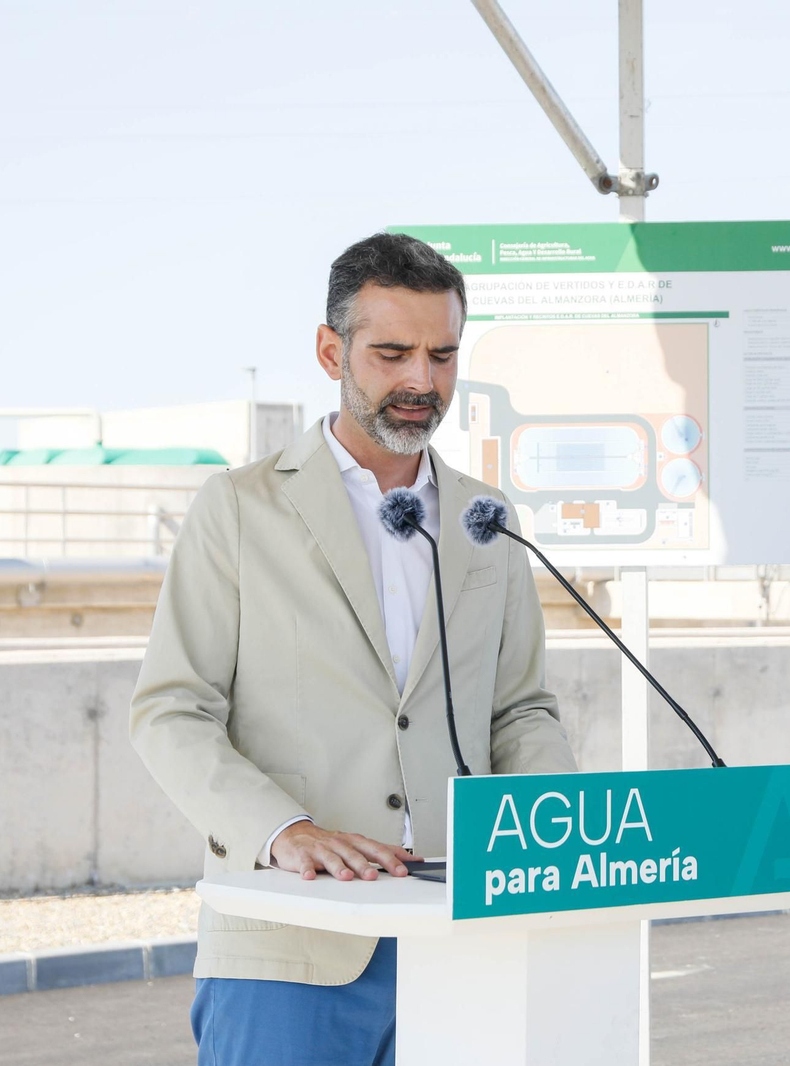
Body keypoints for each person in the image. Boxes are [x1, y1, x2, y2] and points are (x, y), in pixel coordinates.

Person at [129, 232, 579, 1066]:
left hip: (464, 937)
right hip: (292, 939)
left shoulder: (488, 517)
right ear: (330, 350)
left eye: (443, 355)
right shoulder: (238, 508)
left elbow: (521, 708)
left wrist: (558, 830)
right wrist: (283, 829)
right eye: (393, 353)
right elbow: (170, 710)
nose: (422, 381)